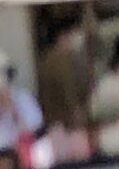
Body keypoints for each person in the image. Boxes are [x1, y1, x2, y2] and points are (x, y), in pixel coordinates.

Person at [36, 7, 95, 136]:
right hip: (67, 125)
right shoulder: (62, 59)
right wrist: (80, 120)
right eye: (76, 32)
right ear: (63, 35)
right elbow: (69, 92)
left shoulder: (47, 58)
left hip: (54, 124)